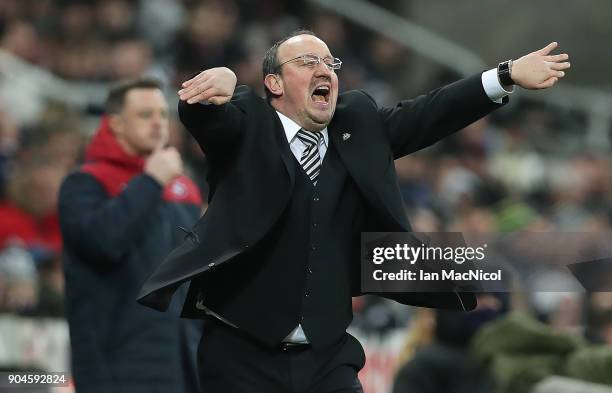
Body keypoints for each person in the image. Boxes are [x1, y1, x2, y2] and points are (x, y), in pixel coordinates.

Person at [137, 31, 570, 393]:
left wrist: (506, 74)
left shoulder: (358, 122)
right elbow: (207, 122)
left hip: (327, 357)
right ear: (274, 83)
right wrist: (218, 87)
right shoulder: (248, 122)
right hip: (239, 352)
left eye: (331, 62)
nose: (325, 70)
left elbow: (432, 112)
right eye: (308, 61)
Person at [58, 78, 202, 393]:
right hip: (117, 360)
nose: (157, 124)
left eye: (163, 115)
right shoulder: (85, 183)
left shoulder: (184, 189)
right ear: (117, 124)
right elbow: (103, 242)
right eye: (145, 115)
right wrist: (150, 181)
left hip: (182, 358)